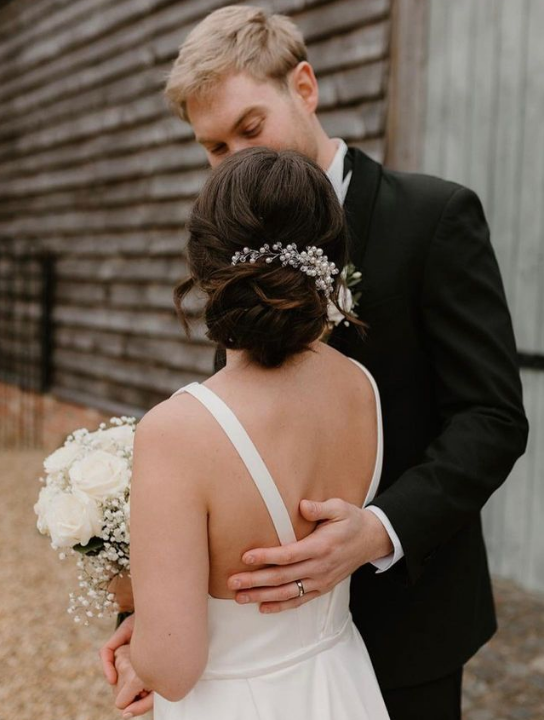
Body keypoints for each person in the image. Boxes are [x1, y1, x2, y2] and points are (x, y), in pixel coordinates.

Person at [99, 7, 529, 720]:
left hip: (407, 620)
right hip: (263, 646)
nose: (234, 161)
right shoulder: (234, 233)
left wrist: (378, 529)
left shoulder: (433, 218)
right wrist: (164, 613)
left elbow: (492, 416)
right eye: (212, 147)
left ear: (305, 86)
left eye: (248, 128)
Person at [114, 145, 391, 719]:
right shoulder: (360, 386)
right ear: (331, 260)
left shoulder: (178, 432)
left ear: (203, 261)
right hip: (341, 682)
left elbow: (173, 666)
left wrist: (137, 623)